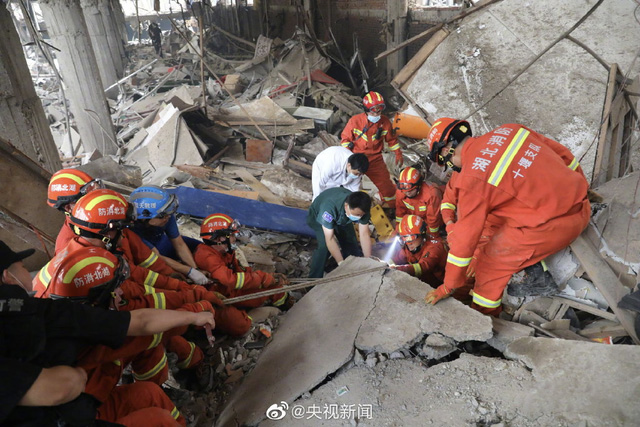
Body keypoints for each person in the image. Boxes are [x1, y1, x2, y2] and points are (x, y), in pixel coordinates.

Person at [0, 240, 214, 426]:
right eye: (22, 266)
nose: (121, 292)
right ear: (7, 277)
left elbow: (140, 320)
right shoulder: (49, 326)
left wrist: (192, 315)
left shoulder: (51, 311)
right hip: (69, 414)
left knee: (149, 393)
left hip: (76, 406)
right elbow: (61, 388)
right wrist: (194, 308)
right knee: (158, 420)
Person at [423, 118, 590, 316]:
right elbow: (564, 155)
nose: (452, 167)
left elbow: (464, 242)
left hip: (559, 225)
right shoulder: (509, 130)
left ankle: (484, 315)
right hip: (580, 203)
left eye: (447, 163)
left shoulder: (471, 179)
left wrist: (448, 286)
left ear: (446, 151)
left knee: (488, 267)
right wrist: (581, 186)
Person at [194, 213, 289, 308]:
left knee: (275, 287)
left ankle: (282, 305)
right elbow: (231, 280)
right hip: (226, 296)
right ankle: (283, 309)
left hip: (231, 289)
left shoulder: (224, 252)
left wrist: (268, 276)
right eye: (231, 235)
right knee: (275, 290)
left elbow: (241, 271)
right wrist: (263, 279)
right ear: (219, 239)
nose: (234, 239)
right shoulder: (206, 257)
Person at [129, 186, 210, 285]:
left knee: (200, 247)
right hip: (148, 254)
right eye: (163, 215)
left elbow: (179, 244)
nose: (168, 217)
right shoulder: (132, 230)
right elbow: (156, 257)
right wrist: (189, 271)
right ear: (145, 217)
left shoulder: (166, 216)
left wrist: (195, 269)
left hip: (161, 242)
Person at [341, 91, 403, 207]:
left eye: (379, 111)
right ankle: (348, 208)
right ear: (366, 110)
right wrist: (349, 159)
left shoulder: (385, 122)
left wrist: (398, 153)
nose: (376, 115)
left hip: (375, 160)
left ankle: (393, 208)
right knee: (348, 185)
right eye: (373, 111)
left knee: (386, 187)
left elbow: (391, 140)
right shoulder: (355, 121)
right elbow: (345, 141)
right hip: (357, 159)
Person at [306, 187, 372, 278]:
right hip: (319, 217)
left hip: (343, 217)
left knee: (350, 241)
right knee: (324, 247)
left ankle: (354, 269)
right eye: (357, 215)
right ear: (346, 206)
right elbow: (330, 239)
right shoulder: (328, 209)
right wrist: (341, 263)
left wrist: (368, 259)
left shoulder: (363, 208)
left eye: (361, 215)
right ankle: (313, 279)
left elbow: (364, 234)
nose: (359, 217)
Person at [46, 168, 105, 254]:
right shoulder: (67, 250)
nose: (99, 201)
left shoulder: (107, 214)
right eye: (90, 199)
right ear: (68, 208)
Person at [391, 215, 447, 287]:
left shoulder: (435, 248)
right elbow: (398, 257)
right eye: (404, 238)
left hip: (440, 283)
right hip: (426, 280)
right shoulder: (410, 246)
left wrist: (398, 269)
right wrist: (386, 265)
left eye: (411, 238)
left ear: (422, 234)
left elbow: (422, 267)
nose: (409, 243)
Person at [395, 167, 444, 236]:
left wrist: (432, 235)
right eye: (405, 191)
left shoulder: (431, 195)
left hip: (431, 223)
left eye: (411, 190)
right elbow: (400, 213)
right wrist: (399, 229)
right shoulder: (401, 192)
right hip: (414, 222)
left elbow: (433, 220)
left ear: (419, 186)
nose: (408, 193)